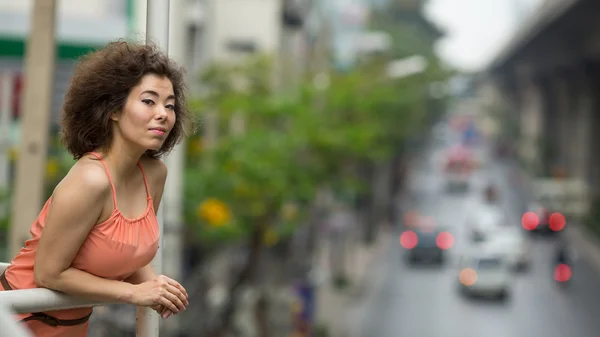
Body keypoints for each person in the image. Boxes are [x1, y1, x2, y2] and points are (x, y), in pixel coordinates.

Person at [0, 40, 191, 337]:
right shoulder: (90, 180)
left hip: (73, 326)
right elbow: (48, 273)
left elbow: (133, 252)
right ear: (113, 110)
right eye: (148, 101)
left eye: (170, 105)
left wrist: (156, 287)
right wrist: (135, 294)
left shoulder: (154, 175)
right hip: (19, 318)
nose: (163, 114)